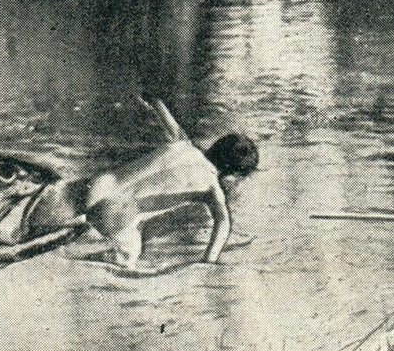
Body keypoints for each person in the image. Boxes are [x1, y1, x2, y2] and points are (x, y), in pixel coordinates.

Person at [26, 98, 259, 271]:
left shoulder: (182, 142)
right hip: (117, 214)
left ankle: (41, 227)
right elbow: (223, 222)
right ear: (232, 174)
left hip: (99, 184)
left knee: (52, 220)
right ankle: (68, 262)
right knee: (129, 255)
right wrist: (209, 260)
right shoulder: (212, 188)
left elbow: (160, 107)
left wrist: (149, 99)